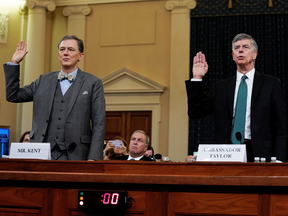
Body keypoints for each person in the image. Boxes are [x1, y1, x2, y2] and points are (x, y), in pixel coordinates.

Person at [186, 33, 286, 162]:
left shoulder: (270, 84)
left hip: (260, 152)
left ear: (254, 54)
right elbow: (195, 112)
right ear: (233, 56)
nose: (240, 50)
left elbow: (279, 126)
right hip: (227, 152)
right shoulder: (220, 87)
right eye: (236, 48)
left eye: (245, 47)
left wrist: (278, 159)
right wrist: (197, 77)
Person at [3, 35, 106, 161]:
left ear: (80, 56)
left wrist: (93, 158)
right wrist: (14, 63)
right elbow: (13, 96)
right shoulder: (43, 80)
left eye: (71, 49)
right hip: (41, 154)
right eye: (62, 49)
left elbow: (98, 123)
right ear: (58, 55)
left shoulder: (93, 83)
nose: (66, 53)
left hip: (77, 155)